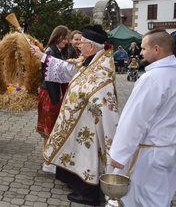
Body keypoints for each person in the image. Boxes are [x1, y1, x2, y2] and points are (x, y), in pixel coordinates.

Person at [30, 25, 119, 206]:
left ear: (92, 46)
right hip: (79, 120)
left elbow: (99, 96)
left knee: (88, 156)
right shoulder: (91, 60)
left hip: (91, 125)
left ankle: (88, 194)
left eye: (83, 43)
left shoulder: (101, 69)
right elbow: (68, 68)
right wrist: (42, 56)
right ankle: (75, 183)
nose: (79, 46)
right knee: (78, 153)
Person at [110, 29, 176, 206]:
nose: (140, 52)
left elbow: (135, 119)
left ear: (156, 49)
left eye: (144, 48)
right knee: (162, 195)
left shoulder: (153, 78)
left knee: (144, 198)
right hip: (169, 148)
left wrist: (119, 154)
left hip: (150, 151)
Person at [36, 25, 70, 174]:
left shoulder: (56, 50)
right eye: (65, 38)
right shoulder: (51, 51)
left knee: (50, 126)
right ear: (57, 36)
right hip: (49, 93)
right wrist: (56, 99)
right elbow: (49, 79)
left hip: (52, 92)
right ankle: (47, 162)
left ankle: (48, 157)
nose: (66, 41)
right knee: (49, 127)